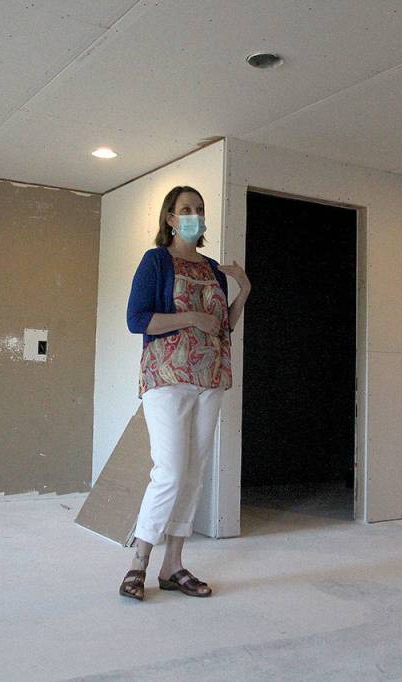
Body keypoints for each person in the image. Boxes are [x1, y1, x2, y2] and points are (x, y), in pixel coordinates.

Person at [119, 185, 250, 601]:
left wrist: (244, 290)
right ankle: (138, 562)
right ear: (170, 218)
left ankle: (173, 566)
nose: (194, 215)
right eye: (186, 209)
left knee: (193, 474)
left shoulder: (212, 268)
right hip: (167, 375)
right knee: (171, 470)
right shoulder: (156, 261)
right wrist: (191, 316)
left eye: (200, 209)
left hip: (209, 377)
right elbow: (136, 319)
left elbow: (223, 327)